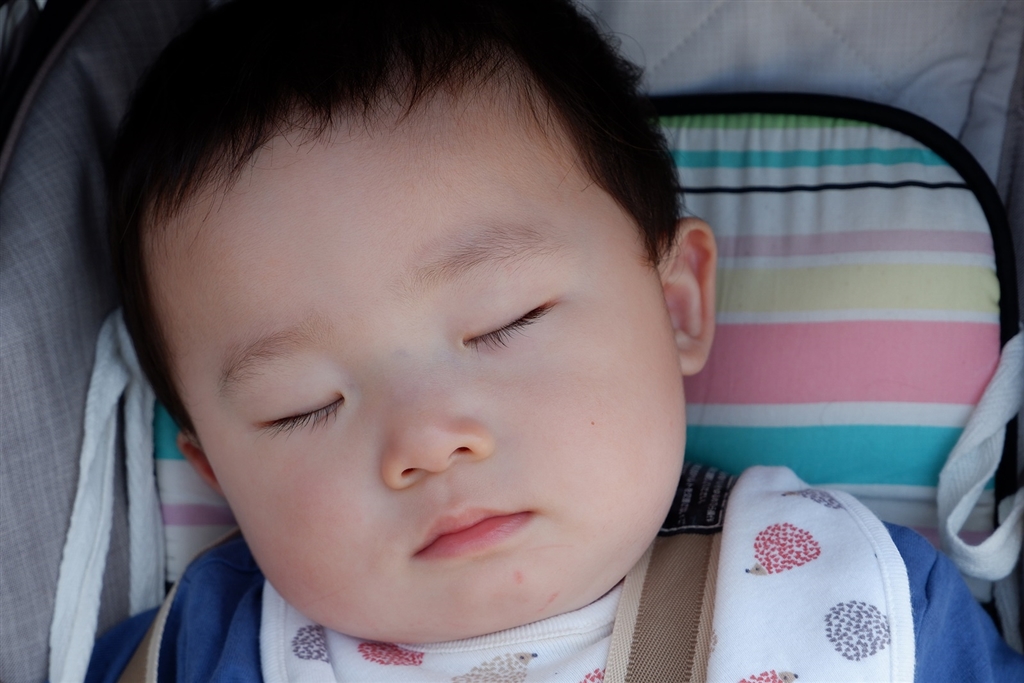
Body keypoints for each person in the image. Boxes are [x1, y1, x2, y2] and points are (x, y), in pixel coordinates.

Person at [86, 0, 1024, 681]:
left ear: (676, 305)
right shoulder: (208, 645)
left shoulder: (854, 599)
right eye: (303, 406)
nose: (428, 442)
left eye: (505, 322)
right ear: (216, 469)